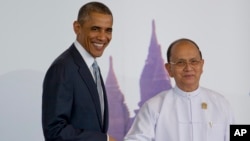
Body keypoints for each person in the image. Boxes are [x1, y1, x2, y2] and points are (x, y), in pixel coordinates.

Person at [124, 38, 235, 141]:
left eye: (194, 61)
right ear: (169, 69)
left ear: (201, 65)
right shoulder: (154, 107)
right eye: (180, 63)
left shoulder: (221, 104)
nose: (188, 68)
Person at [42, 2, 116, 141]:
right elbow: (55, 131)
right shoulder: (62, 68)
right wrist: (104, 139)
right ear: (77, 27)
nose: (102, 37)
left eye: (108, 30)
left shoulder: (91, 65)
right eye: (95, 29)